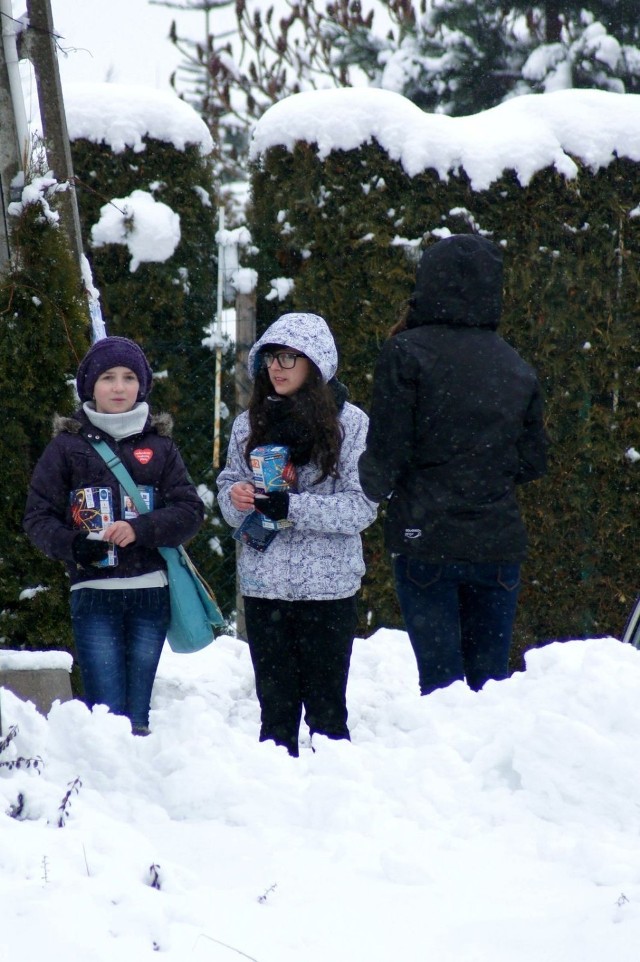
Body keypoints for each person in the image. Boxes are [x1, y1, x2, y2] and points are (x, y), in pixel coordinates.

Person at [358, 234, 548, 695]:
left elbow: (387, 451)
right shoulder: (515, 365)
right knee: (490, 686)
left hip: (427, 538)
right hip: (497, 543)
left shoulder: (407, 353)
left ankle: (447, 766)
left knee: (442, 686)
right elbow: (533, 459)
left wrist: (378, 484)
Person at [23, 336, 204, 734]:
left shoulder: (161, 447)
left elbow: (190, 512)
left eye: (128, 377)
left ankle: (134, 787)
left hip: (150, 595)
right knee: (105, 712)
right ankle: (107, 782)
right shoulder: (66, 448)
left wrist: (140, 530)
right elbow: (37, 517)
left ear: (142, 385)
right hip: (93, 597)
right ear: (90, 385)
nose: (119, 387)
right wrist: (74, 546)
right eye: (108, 377)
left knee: (137, 713)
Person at [216, 312, 377, 756]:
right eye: (271, 357)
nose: (278, 367)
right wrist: (238, 498)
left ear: (317, 363)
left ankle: (335, 809)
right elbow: (227, 489)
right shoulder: (249, 424)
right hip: (265, 588)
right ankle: (274, 809)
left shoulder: (353, 425)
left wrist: (292, 509)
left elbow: (361, 506)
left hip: (329, 592)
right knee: (275, 716)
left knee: (328, 715)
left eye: (291, 357)